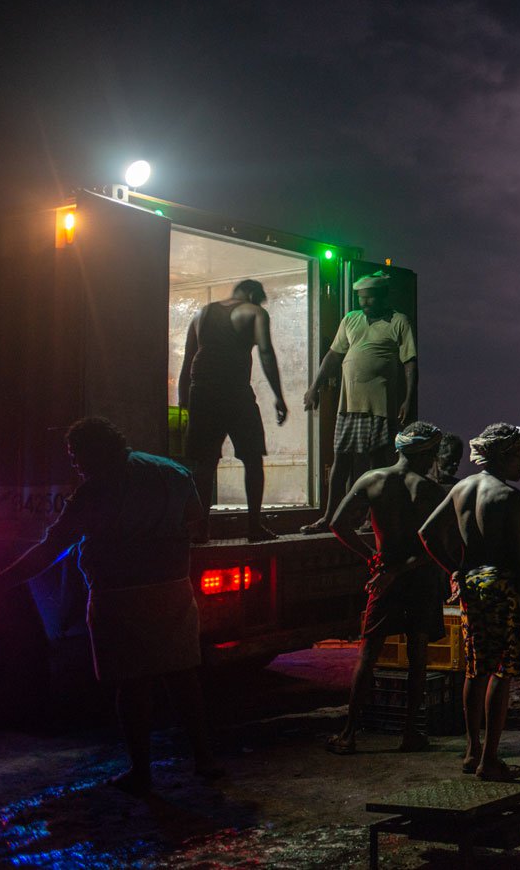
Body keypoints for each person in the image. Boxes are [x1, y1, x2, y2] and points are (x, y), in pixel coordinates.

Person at [0, 418, 218, 794]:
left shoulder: (94, 493)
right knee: (182, 678)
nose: (75, 464)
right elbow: (195, 515)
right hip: (173, 590)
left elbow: (49, 551)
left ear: (93, 451)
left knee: (132, 686)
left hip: (119, 596)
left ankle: (142, 774)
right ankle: (205, 761)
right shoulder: (170, 471)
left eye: (75, 455)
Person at [419, 423, 520, 780]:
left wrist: (454, 570)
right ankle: (490, 760)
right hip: (501, 586)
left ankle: (472, 751)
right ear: (501, 456)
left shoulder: (462, 488)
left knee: (476, 668)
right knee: (502, 670)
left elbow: (427, 533)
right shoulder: (509, 497)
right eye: (518, 455)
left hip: (471, 582)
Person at [325, 422, 448, 754]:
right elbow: (437, 546)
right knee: (417, 657)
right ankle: (411, 733)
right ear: (427, 454)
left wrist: (374, 559)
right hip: (419, 578)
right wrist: (399, 570)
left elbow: (337, 524)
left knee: (368, 655)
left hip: (383, 575)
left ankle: (349, 734)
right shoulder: (431, 490)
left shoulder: (372, 480)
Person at [301, 272, 418, 534]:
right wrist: (314, 387)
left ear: (383, 296)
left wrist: (408, 398)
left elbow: (409, 362)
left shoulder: (398, 321)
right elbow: (332, 356)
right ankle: (329, 518)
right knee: (340, 462)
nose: (364, 303)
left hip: (379, 406)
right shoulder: (351, 320)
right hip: (348, 405)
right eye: (361, 298)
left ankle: (370, 519)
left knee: (377, 465)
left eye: (369, 298)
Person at [176, 278, 288, 542]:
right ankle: (254, 527)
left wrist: (184, 400)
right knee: (252, 459)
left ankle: (199, 530)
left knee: (203, 464)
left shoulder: (201, 314)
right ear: (251, 294)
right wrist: (279, 397)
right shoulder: (255, 312)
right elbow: (266, 352)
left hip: (201, 390)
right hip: (235, 392)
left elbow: (188, 357)